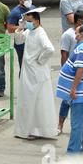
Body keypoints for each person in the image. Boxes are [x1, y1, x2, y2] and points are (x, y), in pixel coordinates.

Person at [14, 8, 57, 140]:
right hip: (28, 73)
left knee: (37, 102)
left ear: (37, 21)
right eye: (26, 21)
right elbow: (19, 40)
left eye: (29, 21)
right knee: (28, 101)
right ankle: (27, 129)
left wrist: (40, 60)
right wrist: (20, 28)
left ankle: (36, 130)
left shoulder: (40, 33)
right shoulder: (30, 31)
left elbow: (50, 49)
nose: (27, 23)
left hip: (36, 73)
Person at [57, 26, 83, 153]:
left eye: (76, 33)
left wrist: (73, 88)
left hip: (80, 94)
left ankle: (72, 153)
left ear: (82, 34)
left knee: (76, 125)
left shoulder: (82, 49)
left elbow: (80, 69)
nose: (75, 36)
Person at [58, 10, 83, 135]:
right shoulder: (68, 35)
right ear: (79, 20)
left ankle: (80, 126)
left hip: (82, 71)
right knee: (66, 100)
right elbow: (64, 53)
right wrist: (65, 72)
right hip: (71, 71)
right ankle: (60, 125)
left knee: (81, 100)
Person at [7, 0, 35, 71]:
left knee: (32, 66)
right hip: (21, 42)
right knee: (24, 67)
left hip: (33, 40)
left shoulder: (33, 8)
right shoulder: (15, 12)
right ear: (20, 0)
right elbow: (9, 29)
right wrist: (23, 26)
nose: (29, 1)